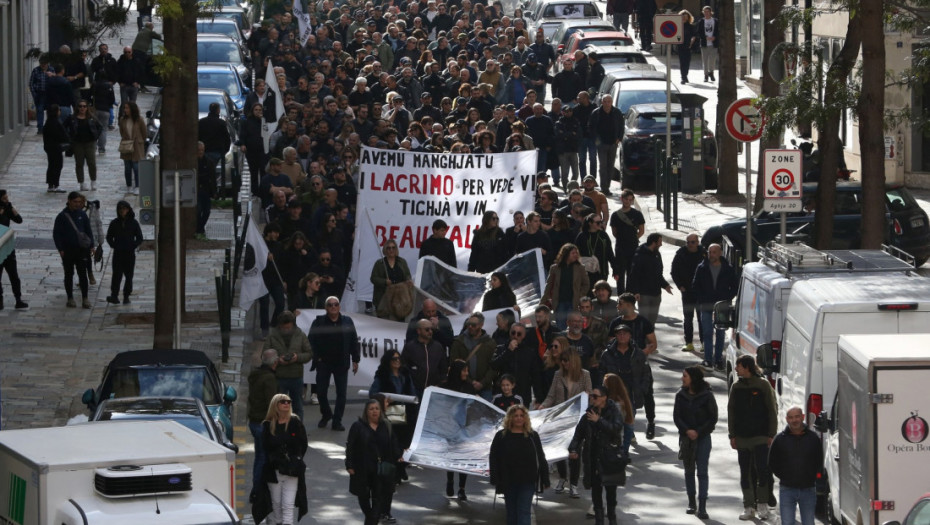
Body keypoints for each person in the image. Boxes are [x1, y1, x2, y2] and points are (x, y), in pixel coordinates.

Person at [728, 355, 778, 521]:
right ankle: (749, 506)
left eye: (739, 366)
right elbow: (731, 412)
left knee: (762, 471)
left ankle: (762, 505)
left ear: (747, 367)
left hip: (761, 437)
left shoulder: (763, 385)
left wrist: (771, 434)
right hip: (742, 438)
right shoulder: (736, 387)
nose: (736, 369)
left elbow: (772, 410)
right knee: (745, 473)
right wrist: (732, 435)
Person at [538, 347, 591, 497]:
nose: (564, 363)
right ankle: (562, 478)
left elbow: (589, 394)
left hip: (577, 421)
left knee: (575, 451)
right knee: (560, 449)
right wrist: (543, 407)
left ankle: (573, 484)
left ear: (573, 361)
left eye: (566, 361)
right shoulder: (558, 374)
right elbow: (551, 396)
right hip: (560, 419)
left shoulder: (585, 375)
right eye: (562, 361)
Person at [569, 386, 625, 525]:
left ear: (604, 397)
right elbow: (578, 434)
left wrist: (598, 421)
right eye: (591, 396)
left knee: (611, 491)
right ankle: (599, 520)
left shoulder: (614, 411)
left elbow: (616, 429)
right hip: (593, 458)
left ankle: (612, 518)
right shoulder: (588, 414)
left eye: (595, 396)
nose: (592, 398)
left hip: (609, 458)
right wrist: (574, 449)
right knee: (596, 491)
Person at [489, 404, 550, 525]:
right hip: (508, 480)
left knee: (523, 511)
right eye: (515, 415)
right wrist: (495, 477)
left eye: (522, 415)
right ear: (510, 418)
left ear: (525, 418)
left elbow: (541, 457)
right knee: (511, 512)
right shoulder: (501, 436)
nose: (519, 418)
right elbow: (493, 457)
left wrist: (545, 479)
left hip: (527, 480)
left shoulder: (533, 436)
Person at [346, 399, 403, 525]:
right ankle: (371, 518)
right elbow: (350, 446)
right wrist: (349, 465)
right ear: (366, 412)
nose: (374, 411)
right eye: (371, 409)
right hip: (363, 469)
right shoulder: (358, 426)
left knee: (378, 500)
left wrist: (399, 455)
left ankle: (372, 521)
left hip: (381, 470)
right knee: (364, 499)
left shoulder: (386, 425)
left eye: (377, 408)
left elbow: (393, 443)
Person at [254, 394, 308, 525]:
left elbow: (303, 443)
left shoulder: (295, 422)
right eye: (283, 402)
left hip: (292, 471)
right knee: (276, 505)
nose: (286, 404)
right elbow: (264, 448)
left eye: (289, 401)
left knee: (288, 505)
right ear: (275, 405)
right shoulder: (267, 425)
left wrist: (296, 459)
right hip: (274, 471)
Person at [308, 297, 360, 431]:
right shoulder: (319, 322)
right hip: (323, 363)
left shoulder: (347, 322)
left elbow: (354, 341)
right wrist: (317, 357)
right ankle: (326, 414)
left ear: (339, 307)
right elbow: (311, 340)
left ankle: (337, 421)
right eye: (330, 305)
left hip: (341, 363)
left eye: (336, 304)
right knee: (320, 392)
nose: (333, 307)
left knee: (341, 394)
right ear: (326, 308)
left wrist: (355, 359)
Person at [673, 365, 718, 519]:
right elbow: (677, 416)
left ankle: (703, 505)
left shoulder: (707, 395)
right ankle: (692, 502)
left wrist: (698, 431)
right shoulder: (680, 395)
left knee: (702, 472)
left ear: (693, 378)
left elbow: (712, 417)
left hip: (703, 437)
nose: (682, 378)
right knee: (689, 471)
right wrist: (687, 431)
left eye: (685, 376)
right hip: (686, 438)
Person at [768, 406, 823, 525]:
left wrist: (812, 476)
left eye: (797, 416)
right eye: (791, 417)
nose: (794, 420)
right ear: (787, 419)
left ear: (803, 417)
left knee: (809, 522)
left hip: (808, 489)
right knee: (787, 522)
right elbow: (772, 462)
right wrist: (784, 476)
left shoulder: (813, 438)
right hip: (787, 489)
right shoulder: (780, 439)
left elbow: (819, 460)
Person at [598, 324, 648, 454]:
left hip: (631, 392)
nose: (622, 336)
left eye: (625, 333)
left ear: (630, 335)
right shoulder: (607, 354)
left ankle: (624, 450)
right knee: (614, 421)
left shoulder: (638, 353)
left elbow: (646, 374)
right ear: (615, 336)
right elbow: (601, 373)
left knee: (629, 422)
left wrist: (642, 389)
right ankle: (616, 447)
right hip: (613, 393)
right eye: (619, 333)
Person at [692, 243, 738, 370]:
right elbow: (695, 286)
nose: (711, 255)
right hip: (706, 306)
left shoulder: (727, 269)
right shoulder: (702, 268)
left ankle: (718, 360)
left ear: (720, 253)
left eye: (713, 252)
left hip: (721, 306)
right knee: (707, 333)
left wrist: (727, 298)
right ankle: (708, 359)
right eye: (709, 252)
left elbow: (734, 286)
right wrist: (702, 299)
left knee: (720, 333)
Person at [264, 311, 312, 422]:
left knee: (298, 407)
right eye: (283, 328)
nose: (286, 330)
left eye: (288, 328)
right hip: (279, 377)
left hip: (296, 377)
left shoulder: (300, 335)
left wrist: (297, 357)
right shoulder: (272, 336)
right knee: (278, 407)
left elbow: (309, 353)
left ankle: (298, 428)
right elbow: (265, 355)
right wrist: (277, 360)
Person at [442, 360, 477, 499]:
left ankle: (462, 488)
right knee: (451, 456)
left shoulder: (469, 387)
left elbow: (473, 406)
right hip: (450, 426)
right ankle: (450, 480)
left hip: (465, 427)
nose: (466, 373)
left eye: (467, 370)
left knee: (464, 457)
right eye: (464, 370)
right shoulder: (445, 387)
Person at [53, 191, 94, 308]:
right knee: (69, 274)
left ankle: (85, 298)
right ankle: (70, 298)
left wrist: (91, 245)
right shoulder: (62, 216)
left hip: (81, 250)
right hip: (68, 251)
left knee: (83, 274)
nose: (77, 204)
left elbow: (88, 230)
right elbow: (57, 234)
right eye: (75, 202)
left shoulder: (82, 214)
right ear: (69, 201)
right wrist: (60, 249)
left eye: (79, 202)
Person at [247, 348, 278, 497]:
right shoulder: (269, 379)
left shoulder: (256, 375)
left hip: (254, 421)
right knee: (263, 458)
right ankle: (258, 490)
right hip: (263, 423)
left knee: (259, 456)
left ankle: (257, 487)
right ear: (275, 362)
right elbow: (272, 403)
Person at [492, 322, 543, 406]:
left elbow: (535, 376)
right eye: (513, 333)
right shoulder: (501, 348)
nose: (515, 336)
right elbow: (494, 365)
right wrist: (508, 351)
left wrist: (538, 398)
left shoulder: (529, 352)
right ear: (510, 333)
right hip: (503, 395)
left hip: (522, 395)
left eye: (519, 334)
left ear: (523, 336)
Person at [449, 313, 498, 401]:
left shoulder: (490, 343)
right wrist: (470, 382)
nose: (470, 327)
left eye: (474, 325)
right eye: (468, 324)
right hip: (464, 386)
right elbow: (454, 364)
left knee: (485, 413)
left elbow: (494, 366)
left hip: (485, 387)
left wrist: (482, 383)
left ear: (481, 325)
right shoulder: (458, 342)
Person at [627, 232, 673, 325]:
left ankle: (650, 339)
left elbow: (658, 274)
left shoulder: (657, 254)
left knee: (652, 322)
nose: (661, 244)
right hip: (644, 295)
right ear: (653, 243)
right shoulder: (639, 255)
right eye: (659, 242)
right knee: (644, 321)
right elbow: (633, 275)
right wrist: (635, 292)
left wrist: (665, 285)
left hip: (656, 294)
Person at [671, 233, 706, 352]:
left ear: (697, 242)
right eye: (688, 242)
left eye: (692, 242)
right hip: (687, 292)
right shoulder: (681, 254)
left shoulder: (704, 254)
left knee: (702, 318)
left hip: (701, 292)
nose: (690, 245)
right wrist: (680, 286)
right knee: (688, 318)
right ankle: (689, 343)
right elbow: (674, 271)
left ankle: (704, 343)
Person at [542, 243, 590, 329]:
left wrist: (580, 295)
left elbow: (586, 284)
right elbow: (548, 286)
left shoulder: (580, 268)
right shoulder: (555, 268)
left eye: (576, 253)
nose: (575, 255)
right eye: (573, 253)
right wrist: (542, 302)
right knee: (560, 327)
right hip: (559, 303)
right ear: (566, 254)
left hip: (573, 303)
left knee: (572, 326)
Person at [103, 200, 143, 305]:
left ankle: (126, 296)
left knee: (129, 276)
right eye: (120, 209)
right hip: (118, 253)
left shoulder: (134, 223)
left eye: (124, 209)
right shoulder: (114, 223)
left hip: (129, 253)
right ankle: (114, 295)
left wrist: (133, 245)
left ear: (128, 210)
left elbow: (139, 237)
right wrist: (114, 245)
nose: (122, 211)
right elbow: (109, 236)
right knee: (117, 275)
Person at [401, 318, 449, 397]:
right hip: (414, 390)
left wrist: (440, 385)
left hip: (433, 390)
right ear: (419, 331)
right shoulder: (410, 347)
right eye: (427, 329)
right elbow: (403, 367)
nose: (430, 332)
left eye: (431, 329)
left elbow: (443, 369)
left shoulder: (438, 347)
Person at [609, 189, 645, 291]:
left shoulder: (637, 214)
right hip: (620, 248)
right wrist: (623, 239)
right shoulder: (615, 215)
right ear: (621, 199)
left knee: (632, 272)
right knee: (620, 273)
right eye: (626, 199)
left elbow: (641, 231)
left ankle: (630, 296)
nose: (628, 202)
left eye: (630, 200)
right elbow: (614, 232)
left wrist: (633, 238)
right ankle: (621, 296)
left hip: (633, 247)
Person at [587, 94, 623, 196]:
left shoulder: (617, 112)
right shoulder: (596, 113)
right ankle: (604, 188)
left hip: (613, 143)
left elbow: (621, 126)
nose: (607, 104)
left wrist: (619, 138)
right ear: (602, 102)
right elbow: (590, 127)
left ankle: (607, 185)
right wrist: (596, 140)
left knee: (610, 166)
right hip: (601, 144)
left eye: (609, 101)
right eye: (605, 101)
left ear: (612, 102)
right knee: (603, 165)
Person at [63, 100, 103, 192]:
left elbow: (100, 127)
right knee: (79, 163)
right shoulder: (72, 118)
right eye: (80, 106)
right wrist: (69, 137)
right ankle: (82, 182)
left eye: (84, 106)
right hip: (77, 143)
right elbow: (63, 127)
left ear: (87, 108)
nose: (82, 108)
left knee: (92, 163)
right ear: (77, 107)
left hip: (90, 143)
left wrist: (95, 136)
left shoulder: (91, 117)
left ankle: (93, 181)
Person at [370, 239, 413, 320]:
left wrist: (408, 281)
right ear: (385, 250)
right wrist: (384, 282)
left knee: (398, 323)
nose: (391, 250)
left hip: (400, 299)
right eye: (388, 248)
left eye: (393, 248)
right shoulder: (379, 263)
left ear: (396, 249)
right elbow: (373, 278)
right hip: (384, 298)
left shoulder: (402, 262)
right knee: (384, 323)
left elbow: (407, 275)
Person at [0, 191, 28, 310]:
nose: (7, 200)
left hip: (7, 245)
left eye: (7, 198)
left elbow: (19, 220)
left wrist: (11, 208)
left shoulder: (7, 208)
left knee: (14, 275)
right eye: (4, 198)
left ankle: (18, 299)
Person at [576, 212, 616, 286]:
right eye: (597, 223)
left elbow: (610, 253)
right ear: (590, 223)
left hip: (602, 271)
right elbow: (576, 253)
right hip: (586, 271)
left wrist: (615, 270)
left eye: (601, 222)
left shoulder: (603, 235)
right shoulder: (582, 236)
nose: (600, 224)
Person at [118, 102, 146, 194]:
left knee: (136, 167)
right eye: (124, 108)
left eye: (127, 108)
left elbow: (144, 132)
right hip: (126, 145)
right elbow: (122, 132)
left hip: (137, 145)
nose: (125, 110)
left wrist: (140, 141)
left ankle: (137, 186)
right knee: (127, 167)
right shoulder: (122, 120)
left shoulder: (139, 120)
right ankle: (129, 185)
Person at [43, 105, 69, 193]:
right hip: (56, 147)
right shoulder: (56, 122)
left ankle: (50, 185)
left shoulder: (48, 122)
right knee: (57, 166)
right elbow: (62, 135)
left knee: (51, 165)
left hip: (48, 147)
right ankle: (55, 184)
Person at [694, 7, 719, 82]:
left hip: (713, 44)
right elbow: (698, 32)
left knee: (712, 60)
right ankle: (706, 75)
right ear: (703, 12)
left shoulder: (715, 21)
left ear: (711, 12)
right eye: (705, 12)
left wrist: (715, 37)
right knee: (705, 61)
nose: (706, 13)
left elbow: (718, 31)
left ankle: (711, 73)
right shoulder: (701, 21)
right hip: (704, 44)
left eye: (708, 11)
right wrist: (705, 37)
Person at [678, 10, 697, 84]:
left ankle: (685, 75)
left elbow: (694, 35)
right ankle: (683, 77)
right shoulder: (678, 26)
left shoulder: (691, 26)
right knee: (682, 62)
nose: (684, 18)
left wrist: (692, 42)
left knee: (687, 62)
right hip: (680, 46)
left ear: (688, 17)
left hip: (688, 46)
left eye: (686, 16)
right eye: (683, 16)